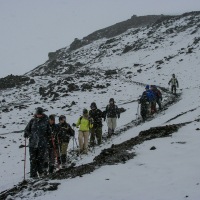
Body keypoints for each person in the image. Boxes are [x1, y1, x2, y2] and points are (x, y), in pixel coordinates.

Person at [24, 107, 51, 178]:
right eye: (38, 114)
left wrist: (49, 136)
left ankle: (41, 172)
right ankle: (33, 175)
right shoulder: (32, 121)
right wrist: (27, 134)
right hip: (32, 143)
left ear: (42, 114)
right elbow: (27, 129)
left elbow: (49, 131)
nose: (39, 115)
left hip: (42, 144)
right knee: (33, 159)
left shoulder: (46, 121)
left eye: (40, 114)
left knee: (41, 159)